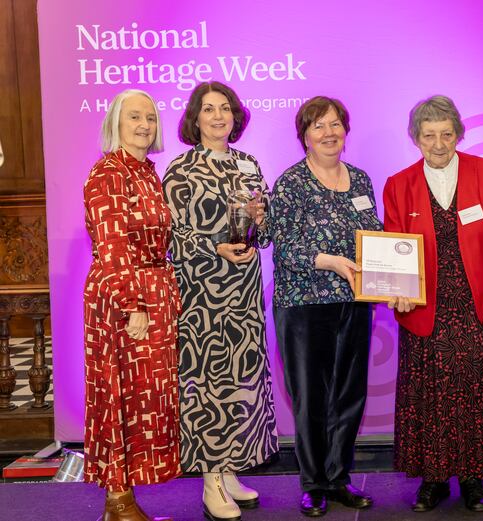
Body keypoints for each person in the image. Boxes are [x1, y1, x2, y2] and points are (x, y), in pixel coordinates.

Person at [384, 95, 483, 513]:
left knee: (473, 393)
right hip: (423, 308)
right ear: (416, 139)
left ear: (459, 134)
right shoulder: (399, 183)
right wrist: (396, 286)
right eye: (429, 135)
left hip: (475, 307)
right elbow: (393, 248)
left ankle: (473, 478)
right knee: (427, 396)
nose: (439, 143)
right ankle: (432, 479)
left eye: (447, 134)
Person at [163, 81, 279, 521]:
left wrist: (260, 219)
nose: (218, 116)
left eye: (225, 108)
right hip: (202, 295)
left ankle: (229, 469)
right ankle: (210, 480)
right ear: (195, 118)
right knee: (208, 383)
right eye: (208, 109)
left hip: (244, 293)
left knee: (242, 379)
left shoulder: (249, 164)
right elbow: (172, 234)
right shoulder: (181, 170)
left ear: (236, 116)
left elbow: (264, 234)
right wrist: (215, 247)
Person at [271, 96, 382, 517]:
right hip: (303, 304)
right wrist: (330, 261)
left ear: (346, 131)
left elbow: (375, 236)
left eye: (336, 124)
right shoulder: (291, 183)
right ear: (304, 136)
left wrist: (393, 275)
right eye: (318, 126)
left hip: (354, 303)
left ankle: (339, 478)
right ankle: (313, 483)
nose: (329, 133)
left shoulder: (360, 181)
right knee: (312, 397)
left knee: (349, 394)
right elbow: (286, 248)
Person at [83, 89, 180, 521]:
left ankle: (120, 501)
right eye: (135, 117)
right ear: (115, 124)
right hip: (124, 298)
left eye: (151, 118)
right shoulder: (108, 173)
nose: (144, 125)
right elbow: (113, 245)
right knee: (118, 395)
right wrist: (134, 305)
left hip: (152, 291)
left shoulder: (145, 171)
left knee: (142, 400)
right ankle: (119, 502)